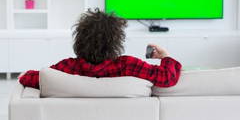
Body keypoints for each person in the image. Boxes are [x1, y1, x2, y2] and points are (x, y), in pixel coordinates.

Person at [19, 8, 181, 89]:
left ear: (79, 39)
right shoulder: (128, 65)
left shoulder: (67, 67)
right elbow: (168, 77)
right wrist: (165, 56)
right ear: (117, 40)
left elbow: (27, 78)